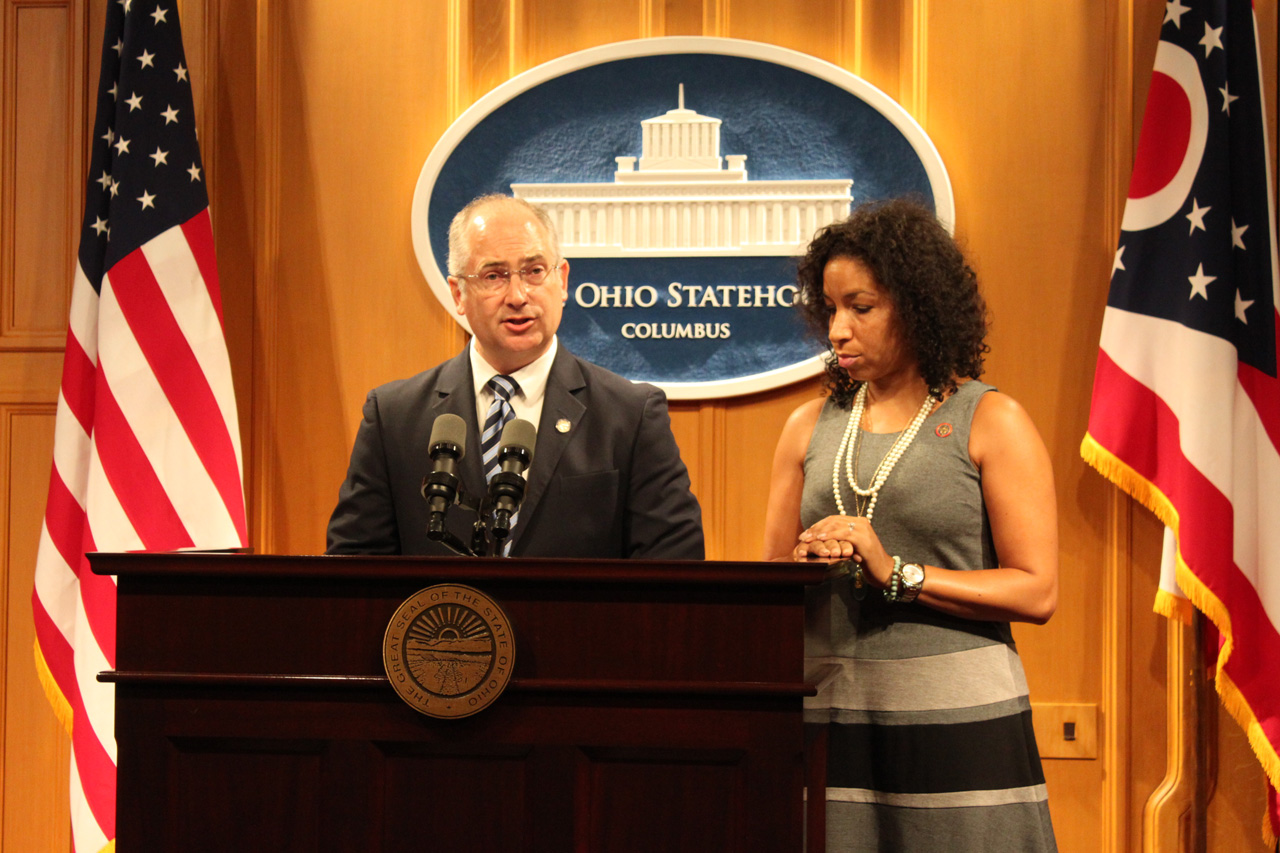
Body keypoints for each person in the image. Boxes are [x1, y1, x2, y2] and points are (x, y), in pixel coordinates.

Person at [762, 198, 1058, 851]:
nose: (838, 329)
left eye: (860, 308)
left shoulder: (991, 419)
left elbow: (1037, 591)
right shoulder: (806, 427)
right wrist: (805, 563)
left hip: (958, 723)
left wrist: (897, 572)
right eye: (830, 308)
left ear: (917, 304)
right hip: (833, 718)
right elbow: (769, 580)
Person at [327, 194, 704, 559]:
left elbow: (675, 572)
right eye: (494, 275)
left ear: (563, 280)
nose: (519, 295)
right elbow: (354, 571)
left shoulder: (630, 416)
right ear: (458, 293)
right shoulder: (394, 417)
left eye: (534, 271)